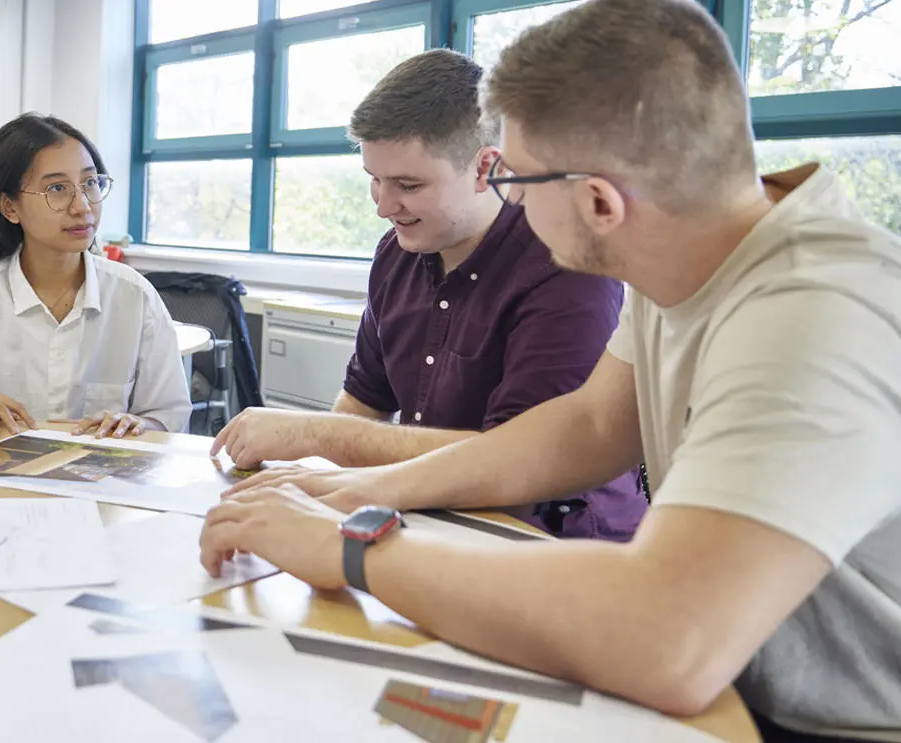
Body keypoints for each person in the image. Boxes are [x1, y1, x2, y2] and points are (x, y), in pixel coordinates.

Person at [199, 1, 901, 739]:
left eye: (516, 182)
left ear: (599, 201)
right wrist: (361, 489)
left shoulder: (811, 313)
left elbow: (671, 635)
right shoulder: (690, 257)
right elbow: (588, 425)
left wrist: (352, 547)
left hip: (833, 721)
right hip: (742, 676)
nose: (510, 202)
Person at [210, 49, 644, 540]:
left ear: (486, 169)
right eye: (374, 180)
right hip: (430, 519)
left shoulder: (563, 265)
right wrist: (317, 479)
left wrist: (316, 436)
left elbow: (516, 467)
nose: (384, 206)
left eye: (408, 185)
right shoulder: (397, 255)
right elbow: (364, 398)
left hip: (552, 541)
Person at [0, 113, 191, 438]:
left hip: (98, 484)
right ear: (9, 207)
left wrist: (140, 424)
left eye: (90, 183)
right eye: (57, 188)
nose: (83, 206)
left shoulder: (133, 296)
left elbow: (169, 418)